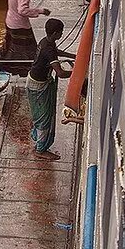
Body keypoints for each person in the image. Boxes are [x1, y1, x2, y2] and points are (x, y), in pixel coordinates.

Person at [0, 0, 68, 75]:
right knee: (30, 51)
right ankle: (24, 71)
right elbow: (22, 10)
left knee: (8, 47)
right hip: (19, 25)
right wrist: (41, 11)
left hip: (10, 21)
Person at [27, 18, 75, 160]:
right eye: (60, 32)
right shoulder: (48, 48)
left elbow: (55, 52)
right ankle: (40, 150)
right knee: (44, 118)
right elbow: (60, 73)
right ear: (55, 33)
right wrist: (77, 72)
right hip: (38, 86)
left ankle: (38, 139)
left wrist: (73, 56)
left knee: (41, 114)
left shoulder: (46, 42)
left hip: (37, 81)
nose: (61, 34)